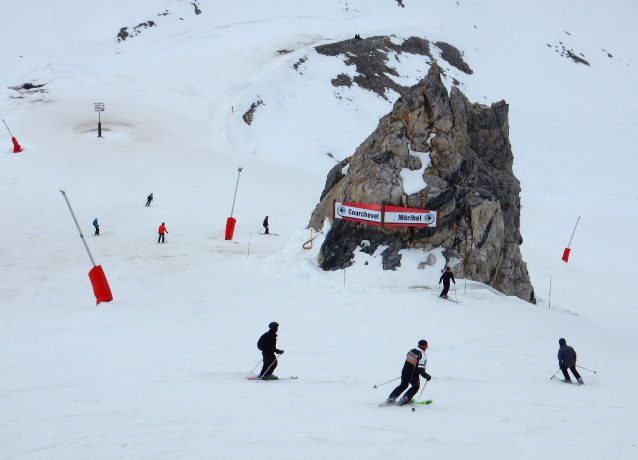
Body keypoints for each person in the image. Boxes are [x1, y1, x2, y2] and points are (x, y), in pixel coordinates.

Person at [386, 340, 431, 405]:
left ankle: (390, 399)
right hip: (413, 374)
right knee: (415, 387)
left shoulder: (411, 351)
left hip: (405, 371)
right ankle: (403, 401)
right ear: (425, 347)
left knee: (403, 385)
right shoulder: (423, 355)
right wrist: (427, 376)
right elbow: (421, 370)